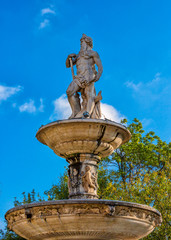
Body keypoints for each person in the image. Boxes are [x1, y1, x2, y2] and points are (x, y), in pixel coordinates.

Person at [66, 34, 103, 119]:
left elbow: (100, 66)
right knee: (69, 91)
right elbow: (68, 65)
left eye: (82, 42)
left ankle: (87, 113)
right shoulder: (79, 55)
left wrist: (98, 75)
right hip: (79, 77)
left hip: (89, 76)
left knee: (89, 94)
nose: (81, 44)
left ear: (87, 42)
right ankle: (75, 112)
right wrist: (68, 58)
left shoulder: (93, 53)